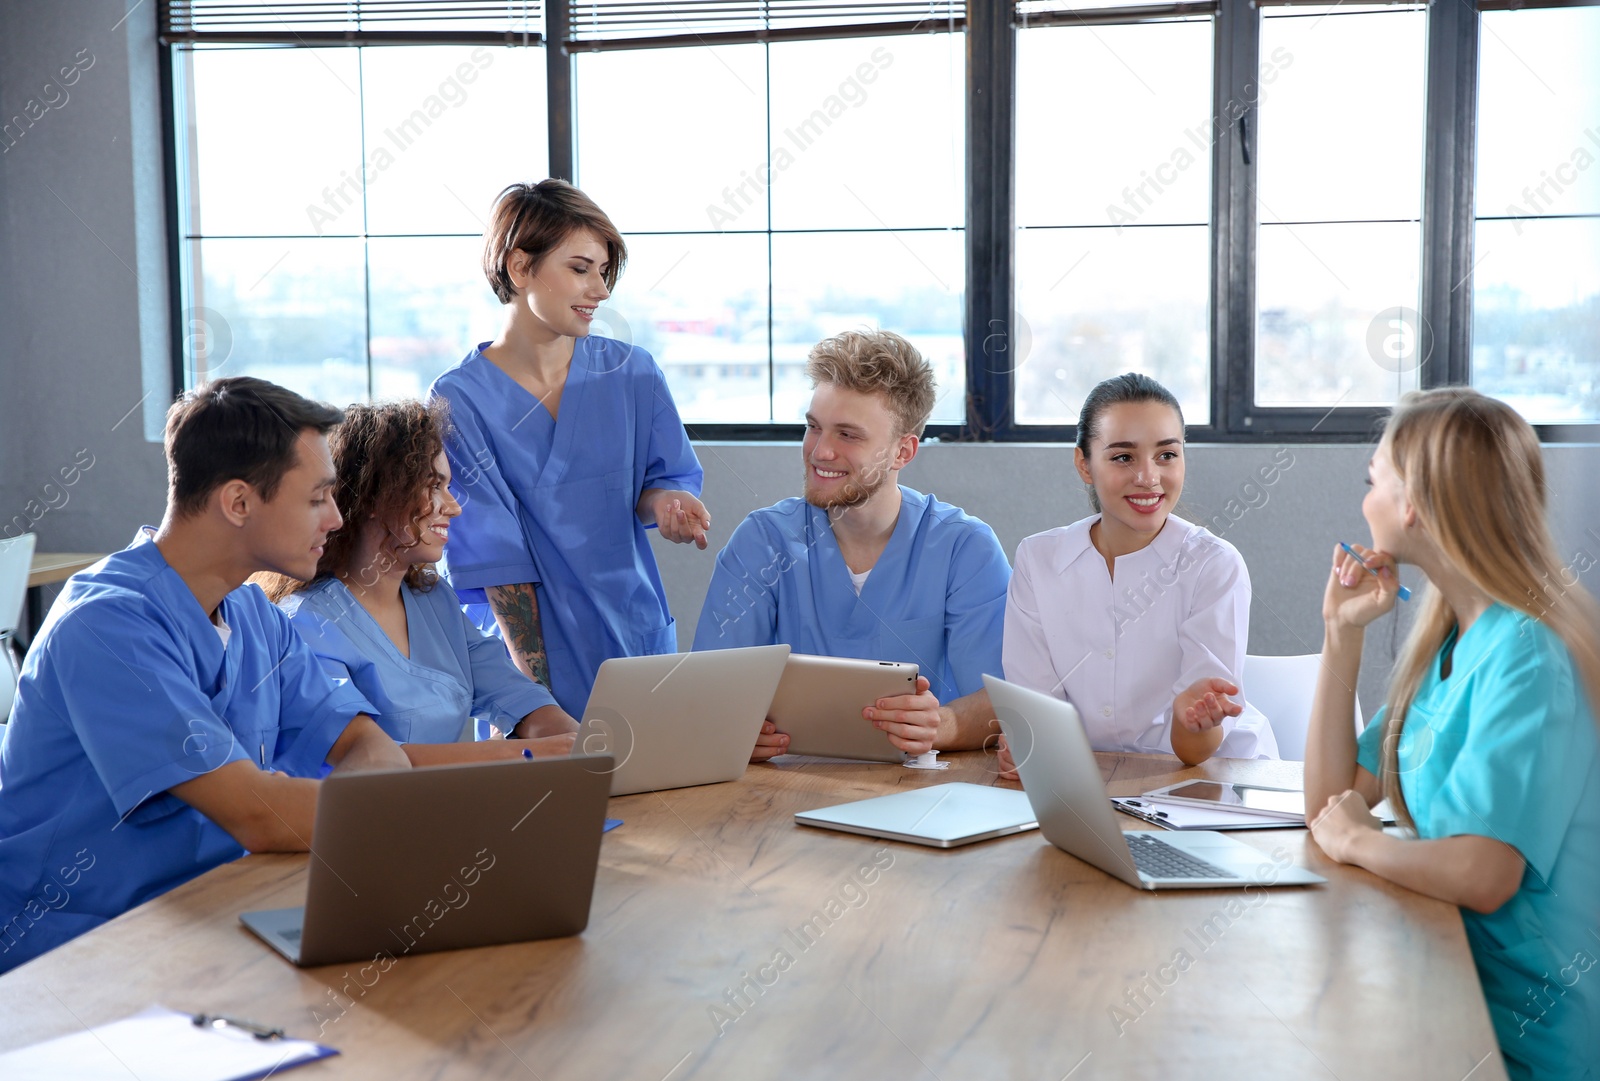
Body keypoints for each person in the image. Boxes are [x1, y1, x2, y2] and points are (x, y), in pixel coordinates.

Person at [0, 378, 410, 973]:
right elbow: (258, 814)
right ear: (239, 502)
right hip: (72, 956)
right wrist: (403, 821)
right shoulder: (105, 627)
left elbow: (366, 743)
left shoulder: (253, 615)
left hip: (206, 916)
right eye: (318, 498)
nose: (338, 519)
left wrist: (384, 808)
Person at [1304, 388, 1600, 1080]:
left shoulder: (1528, 652)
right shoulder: (1450, 638)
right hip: (1446, 987)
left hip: (1525, 1035)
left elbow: (1483, 873)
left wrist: (1360, 840)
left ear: (1413, 504)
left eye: (1372, 478)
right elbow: (1328, 802)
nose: (1365, 497)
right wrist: (1339, 636)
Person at [431, 180, 708, 718]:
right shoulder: (459, 398)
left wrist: (669, 502)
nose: (600, 291)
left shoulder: (632, 373)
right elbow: (493, 557)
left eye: (604, 272)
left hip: (634, 630)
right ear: (518, 267)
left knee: (657, 790)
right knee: (550, 795)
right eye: (581, 269)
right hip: (530, 651)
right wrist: (533, 696)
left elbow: (665, 477)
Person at [693, 329, 1011, 760]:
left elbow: (1000, 702)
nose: (820, 451)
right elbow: (710, 690)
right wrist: (730, 730)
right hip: (783, 789)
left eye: (848, 435)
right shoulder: (763, 542)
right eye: (813, 427)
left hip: (920, 785)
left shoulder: (965, 549)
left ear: (903, 452)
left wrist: (943, 725)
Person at [260, 400, 578, 763]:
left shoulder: (432, 598)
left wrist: (574, 740)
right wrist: (523, 753)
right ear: (376, 496)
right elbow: (363, 756)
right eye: (434, 486)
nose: (453, 507)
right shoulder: (307, 623)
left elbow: (517, 696)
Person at [999, 373, 1277, 770]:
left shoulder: (1214, 565)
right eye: (1123, 457)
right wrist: (1033, 746)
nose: (1149, 477)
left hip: (1214, 776)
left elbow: (1197, 749)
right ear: (1084, 464)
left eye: (1167, 455)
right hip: (1091, 781)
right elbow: (1038, 714)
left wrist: (1193, 720)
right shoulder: (1038, 559)